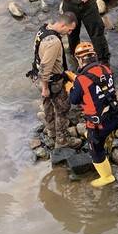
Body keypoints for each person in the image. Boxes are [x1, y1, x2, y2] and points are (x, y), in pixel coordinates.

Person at [65, 42, 118, 188]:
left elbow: (74, 99)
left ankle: (107, 176)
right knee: (104, 135)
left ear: (79, 59)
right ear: (94, 56)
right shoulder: (106, 69)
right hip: (114, 117)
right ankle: (108, 147)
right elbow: (96, 85)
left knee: (95, 150)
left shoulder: (81, 80)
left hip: (98, 125)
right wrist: (77, 80)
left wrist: (72, 87)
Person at [42, 0, 112, 66]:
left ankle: (104, 60)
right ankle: (76, 57)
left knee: (97, 32)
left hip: (89, 7)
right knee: (72, 34)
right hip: (70, 8)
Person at [27, 12, 78, 148]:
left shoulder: (43, 29)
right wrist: (45, 88)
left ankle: (51, 131)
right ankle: (62, 140)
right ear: (62, 25)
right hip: (51, 81)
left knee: (47, 104)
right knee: (63, 108)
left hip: (38, 76)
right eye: (69, 29)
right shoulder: (54, 42)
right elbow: (45, 67)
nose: (70, 32)